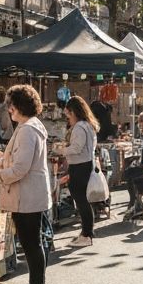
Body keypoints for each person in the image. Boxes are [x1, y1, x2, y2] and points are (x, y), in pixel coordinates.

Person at [0, 85, 51, 284]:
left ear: (16, 106)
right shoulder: (29, 126)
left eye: (10, 106)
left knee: (31, 244)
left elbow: (21, 168)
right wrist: (1, 162)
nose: (9, 110)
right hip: (30, 195)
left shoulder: (27, 130)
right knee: (33, 243)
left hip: (27, 197)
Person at [63, 96, 99, 247]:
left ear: (74, 112)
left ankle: (86, 234)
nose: (68, 118)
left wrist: (61, 150)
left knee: (81, 200)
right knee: (83, 200)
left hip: (80, 166)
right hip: (86, 163)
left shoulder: (79, 127)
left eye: (68, 115)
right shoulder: (89, 125)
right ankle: (86, 232)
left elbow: (76, 148)